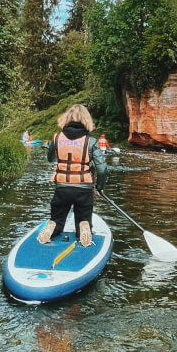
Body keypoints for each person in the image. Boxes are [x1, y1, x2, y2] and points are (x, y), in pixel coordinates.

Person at [38, 103, 107, 248]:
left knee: (57, 219)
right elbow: (102, 168)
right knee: (83, 219)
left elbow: (50, 159)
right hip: (84, 189)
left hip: (62, 187)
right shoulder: (91, 141)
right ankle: (84, 225)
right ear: (86, 120)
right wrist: (99, 187)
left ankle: (53, 225)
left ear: (66, 118)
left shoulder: (56, 138)